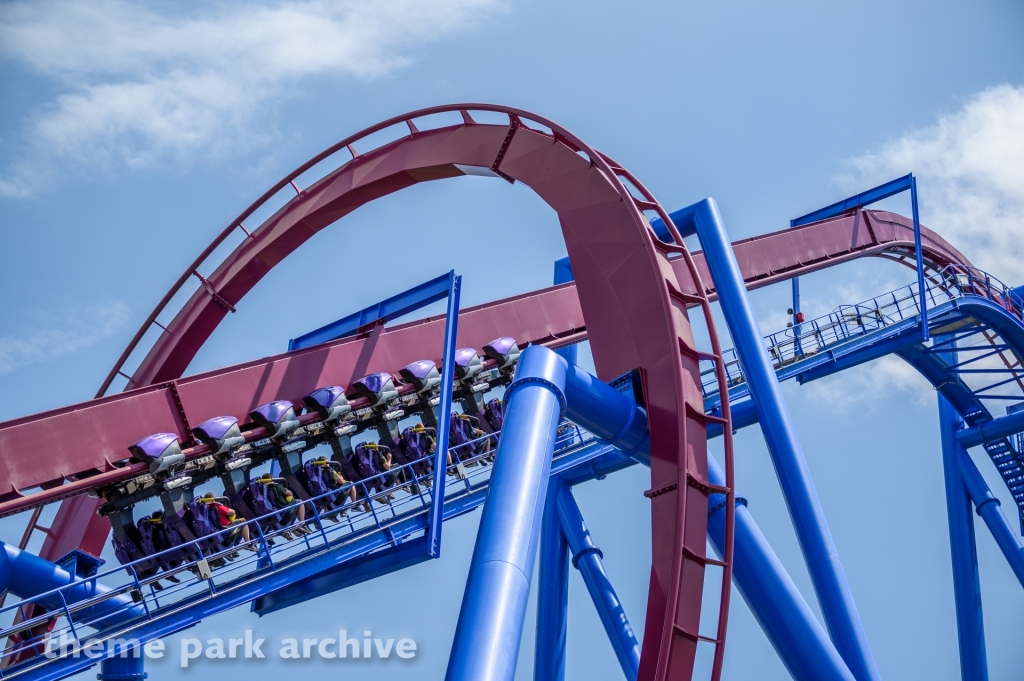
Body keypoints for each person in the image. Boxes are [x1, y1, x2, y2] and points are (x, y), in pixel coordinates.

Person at [256, 472, 312, 540]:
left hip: (276, 515)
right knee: (299, 502)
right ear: (272, 479)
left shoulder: (263, 492)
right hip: (285, 512)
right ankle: (302, 524)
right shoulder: (277, 486)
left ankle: (288, 530)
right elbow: (289, 493)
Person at [311, 456, 357, 521]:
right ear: (324, 463)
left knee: (324, 492)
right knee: (351, 483)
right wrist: (342, 478)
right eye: (327, 462)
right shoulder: (331, 471)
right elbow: (341, 482)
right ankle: (354, 505)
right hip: (336, 495)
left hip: (327, 496)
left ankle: (327, 512)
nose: (329, 463)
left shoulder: (317, 474)